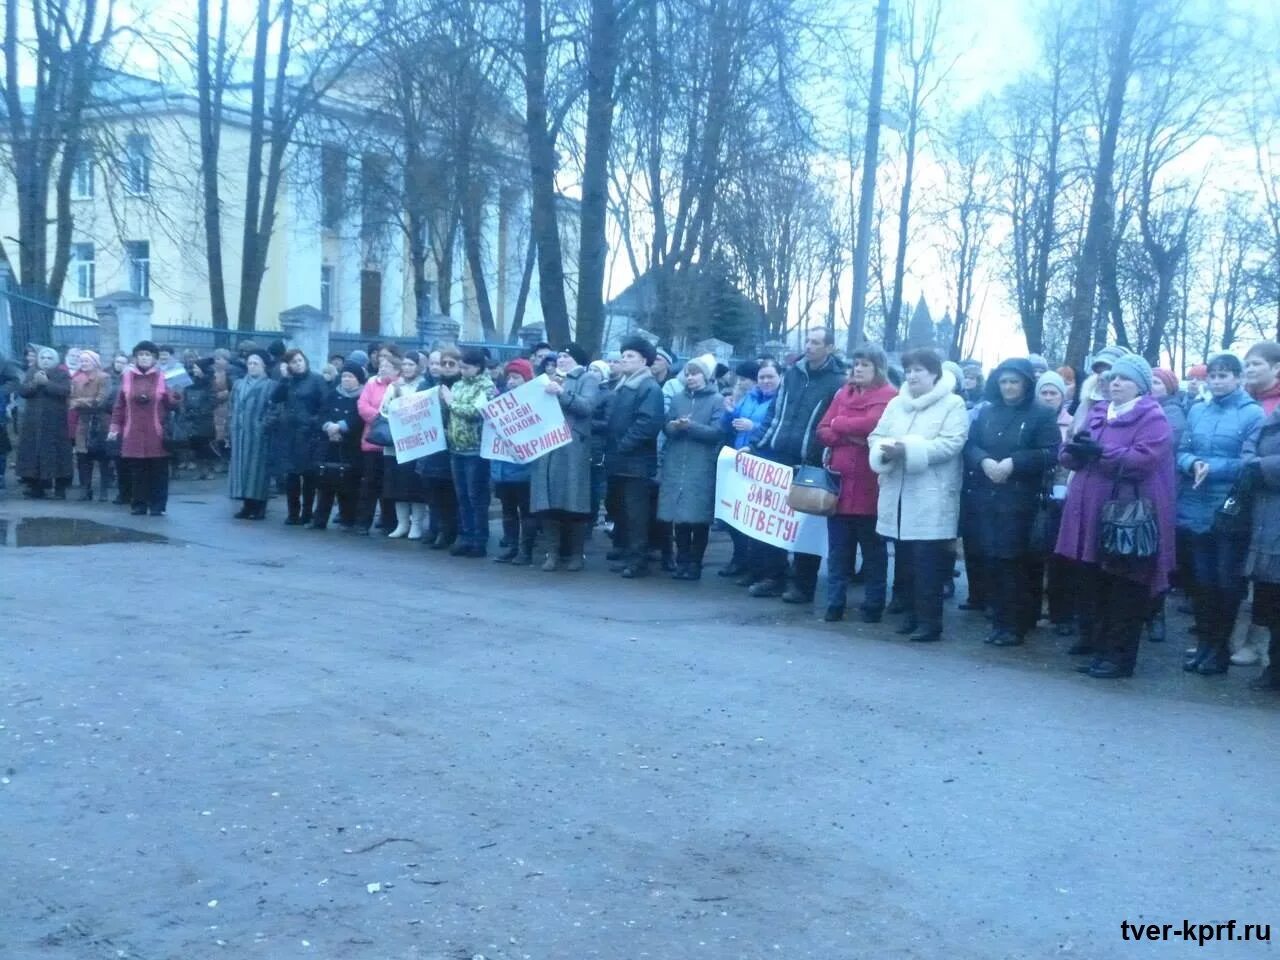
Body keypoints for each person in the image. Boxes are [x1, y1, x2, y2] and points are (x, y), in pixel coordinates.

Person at [1055, 354, 1176, 679]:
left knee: (1125, 587)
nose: (1115, 383)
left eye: (1124, 379)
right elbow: (1070, 452)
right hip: (1090, 513)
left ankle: (1120, 658)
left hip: (1126, 517)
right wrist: (1073, 451)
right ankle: (1100, 648)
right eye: (1112, 379)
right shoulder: (1098, 412)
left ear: (1138, 386)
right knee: (1097, 584)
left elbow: (1144, 460)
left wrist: (1101, 453)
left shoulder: (1153, 417)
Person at [868, 349, 968, 642]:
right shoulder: (897, 404)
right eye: (909, 370)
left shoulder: (953, 404)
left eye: (919, 371)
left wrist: (909, 451)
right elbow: (877, 434)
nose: (912, 376)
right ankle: (910, 614)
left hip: (931, 494)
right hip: (898, 492)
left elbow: (951, 444)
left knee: (928, 563)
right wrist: (884, 450)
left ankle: (930, 622)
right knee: (906, 561)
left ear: (935, 374)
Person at [961, 358, 1060, 646]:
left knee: (1014, 563)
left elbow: (1051, 452)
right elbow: (970, 445)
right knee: (992, 559)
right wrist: (984, 461)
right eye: (1004, 381)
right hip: (987, 494)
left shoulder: (1041, 414)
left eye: (1014, 381)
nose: (1008, 387)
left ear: (1026, 384)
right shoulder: (988, 412)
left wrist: (1014, 463)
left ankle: (1015, 624)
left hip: (1021, 499)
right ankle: (1000, 619)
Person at [1176, 353, 1263, 675]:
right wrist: (1190, 463)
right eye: (1213, 375)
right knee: (1201, 582)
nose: (1217, 381)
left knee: (1225, 582)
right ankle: (1204, 644)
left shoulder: (1252, 413)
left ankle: (1220, 649)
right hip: (1195, 503)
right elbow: (1182, 449)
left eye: (1224, 375)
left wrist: (1213, 467)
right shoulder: (1197, 410)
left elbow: (1249, 461)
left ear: (1238, 378)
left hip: (1229, 507)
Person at [746, 326, 845, 603]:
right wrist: (755, 445)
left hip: (811, 461)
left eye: (816, 342)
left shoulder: (838, 382)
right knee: (773, 521)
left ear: (829, 348)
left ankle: (803, 585)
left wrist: (822, 454)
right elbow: (774, 414)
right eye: (807, 341)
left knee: (806, 527)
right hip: (779, 455)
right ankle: (773, 576)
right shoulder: (791, 374)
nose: (809, 346)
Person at [816, 344, 897, 622]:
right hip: (838, 486)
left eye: (864, 365)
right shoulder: (842, 393)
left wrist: (841, 424)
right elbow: (823, 430)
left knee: (873, 552)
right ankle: (835, 602)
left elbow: (873, 425)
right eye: (855, 364)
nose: (857, 369)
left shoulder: (889, 397)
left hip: (870, 486)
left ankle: (873, 605)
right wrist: (847, 431)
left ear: (878, 368)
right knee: (838, 551)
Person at [530, 345, 600, 571]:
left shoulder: (587, 378)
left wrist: (562, 393)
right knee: (547, 500)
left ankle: (576, 554)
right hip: (547, 446)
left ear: (576, 359)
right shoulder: (546, 378)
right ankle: (553, 552)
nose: (560, 360)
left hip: (571, 448)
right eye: (559, 356)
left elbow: (587, 407)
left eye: (566, 356)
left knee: (573, 501)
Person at [656, 354, 723, 580]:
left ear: (705, 376)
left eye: (695, 373)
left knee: (698, 518)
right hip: (677, 462)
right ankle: (681, 560)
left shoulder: (717, 400)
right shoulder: (677, 399)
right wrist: (674, 426)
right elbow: (666, 427)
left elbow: (717, 432)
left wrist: (690, 426)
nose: (690, 377)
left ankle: (695, 563)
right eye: (687, 373)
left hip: (701, 463)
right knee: (679, 517)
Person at [604, 337, 665, 578]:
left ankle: (638, 560)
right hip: (621, 460)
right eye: (623, 354)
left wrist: (624, 445)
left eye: (630, 355)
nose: (624, 359)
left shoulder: (648, 387)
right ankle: (629, 554)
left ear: (644, 360)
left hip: (636, 461)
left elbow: (648, 423)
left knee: (636, 513)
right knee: (622, 512)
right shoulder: (624, 385)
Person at [719, 360, 780, 579]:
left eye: (770, 377)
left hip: (764, 463)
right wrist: (729, 413)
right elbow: (731, 425)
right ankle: (740, 560)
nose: (765, 381)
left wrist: (752, 427)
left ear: (779, 378)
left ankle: (759, 568)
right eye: (762, 377)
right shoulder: (749, 397)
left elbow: (775, 427)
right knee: (738, 517)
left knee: (759, 522)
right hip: (741, 460)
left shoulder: (780, 400)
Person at [108, 340, 179, 516]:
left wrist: (175, 395)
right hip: (133, 432)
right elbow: (119, 405)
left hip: (157, 432)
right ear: (136, 358)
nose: (144, 358)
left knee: (158, 470)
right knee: (137, 471)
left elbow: (174, 404)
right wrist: (114, 427)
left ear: (154, 358)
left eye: (148, 355)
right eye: (141, 355)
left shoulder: (164, 376)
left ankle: (157, 505)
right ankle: (138, 504)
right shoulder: (127, 376)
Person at [441, 346, 497, 556]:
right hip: (457, 447)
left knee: (476, 497)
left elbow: (476, 412)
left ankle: (479, 539)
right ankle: (465, 536)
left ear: (478, 367)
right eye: (461, 367)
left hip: (476, 450)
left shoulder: (487, 387)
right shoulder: (457, 386)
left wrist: (451, 402)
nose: (462, 371)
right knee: (462, 496)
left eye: (466, 367)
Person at [1035, 371, 1076, 636]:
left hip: (1063, 495)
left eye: (1054, 393)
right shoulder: (1033, 419)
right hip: (1036, 493)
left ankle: (1060, 610)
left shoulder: (1071, 424)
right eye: (1045, 392)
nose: (1049, 398)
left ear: (1063, 397)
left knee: (1058, 557)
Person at [1242, 404, 1280, 692]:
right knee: (1270, 594)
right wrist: (1254, 464)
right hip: (1266, 515)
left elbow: (1255, 460)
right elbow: (1248, 448)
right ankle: (1274, 668)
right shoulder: (1272, 418)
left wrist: (1260, 465)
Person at [272, 349, 328, 526]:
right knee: (292, 475)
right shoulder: (289, 381)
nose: (298, 364)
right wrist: (284, 379)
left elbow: (325, 403)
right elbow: (274, 398)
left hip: (309, 434)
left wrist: (314, 421)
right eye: (294, 362)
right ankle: (293, 512)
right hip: (290, 433)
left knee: (309, 475)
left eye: (300, 360)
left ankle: (307, 511)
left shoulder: (316, 380)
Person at [379, 352, 430, 539]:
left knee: (415, 487)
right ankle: (402, 524)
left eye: (411, 364)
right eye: (405, 364)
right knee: (397, 486)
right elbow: (384, 410)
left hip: (417, 443)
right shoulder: (394, 386)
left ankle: (416, 524)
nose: (408, 368)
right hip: (395, 444)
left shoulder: (424, 385)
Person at [492, 359, 537, 564]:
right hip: (502, 466)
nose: (511, 381)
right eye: (509, 377)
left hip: (524, 467)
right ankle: (511, 546)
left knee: (526, 511)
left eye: (516, 377)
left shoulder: (535, 401)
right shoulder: (500, 401)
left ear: (526, 379)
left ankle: (525, 551)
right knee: (508, 510)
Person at [313, 362, 366, 530]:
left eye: (351, 377)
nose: (346, 380)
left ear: (358, 379)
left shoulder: (362, 396)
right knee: (325, 483)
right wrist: (328, 426)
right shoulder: (333, 395)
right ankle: (319, 519)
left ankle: (348, 519)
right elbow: (322, 413)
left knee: (349, 485)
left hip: (352, 445)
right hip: (330, 444)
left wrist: (341, 427)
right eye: (344, 376)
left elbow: (359, 418)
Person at [416, 347, 460, 549]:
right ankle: (436, 528)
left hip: (452, 445)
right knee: (432, 490)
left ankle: (448, 531)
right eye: (442, 364)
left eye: (450, 364)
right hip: (430, 446)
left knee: (449, 492)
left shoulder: (459, 387)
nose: (444, 367)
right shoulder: (426, 386)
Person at [16, 346, 74, 499]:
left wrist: (47, 383)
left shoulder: (62, 373)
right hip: (33, 423)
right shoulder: (31, 372)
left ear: (55, 360)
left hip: (55, 422)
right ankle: (35, 487)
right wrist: (35, 383)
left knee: (58, 453)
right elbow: (23, 392)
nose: (45, 361)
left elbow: (65, 391)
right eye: (43, 358)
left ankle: (60, 488)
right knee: (33, 453)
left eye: (49, 358)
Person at [355, 345, 401, 535]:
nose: (382, 369)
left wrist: (387, 420)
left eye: (387, 366)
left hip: (392, 445)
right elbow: (362, 405)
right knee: (369, 484)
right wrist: (381, 419)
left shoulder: (399, 386)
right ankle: (363, 522)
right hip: (373, 440)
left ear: (396, 370)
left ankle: (389, 522)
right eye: (381, 365)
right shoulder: (372, 383)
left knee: (389, 485)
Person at [227, 350, 276, 519]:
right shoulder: (238, 384)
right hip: (240, 432)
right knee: (241, 470)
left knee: (258, 470)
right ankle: (246, 505)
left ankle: (260, 506)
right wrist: (231, 426)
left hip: (259, 435)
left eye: (256, 363)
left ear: (264, 366)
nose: (252, 366)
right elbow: (232, 406)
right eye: (249, 363)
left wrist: (264, 425)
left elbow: (274, 409)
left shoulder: (270, 385)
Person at [68, 351, 112, 499]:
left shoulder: (104, 377)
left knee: (103, 456)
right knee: (83, 455)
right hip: (83, 422)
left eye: (87, 361)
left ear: (95, 362)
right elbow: (71, 401)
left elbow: (101, 400)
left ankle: (104, 490)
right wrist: (85, 401)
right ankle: (85, 488)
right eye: (81, 361)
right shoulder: (76, 379)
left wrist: (81, 402)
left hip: (101, 422)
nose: (83, 363)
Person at [179, 357, 218, 480]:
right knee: (195, 446)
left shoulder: (210, 383)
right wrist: (186, 410)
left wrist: (200, 411)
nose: (194, 370)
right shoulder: (190, 382)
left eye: (196, 368)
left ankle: (209, 469)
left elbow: (213, 400)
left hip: (204, 419)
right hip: (192, 419)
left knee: (206, 445)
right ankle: (201, 470)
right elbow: (184, 397)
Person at [1244, 342, 1280, 415]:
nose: (1249, 370)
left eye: (1256, 364)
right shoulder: (1238, 398)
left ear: (1276, 368)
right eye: (1247, 365)